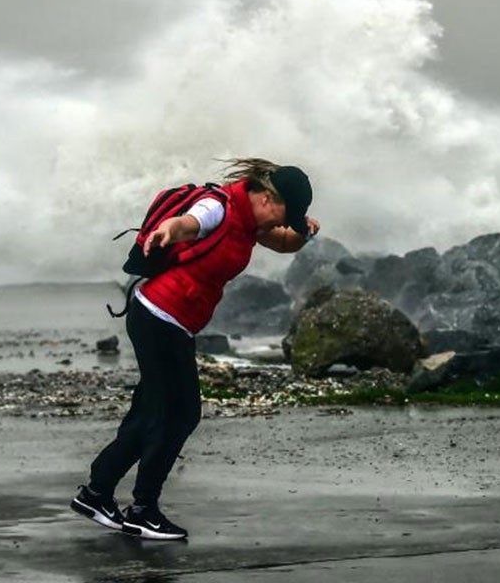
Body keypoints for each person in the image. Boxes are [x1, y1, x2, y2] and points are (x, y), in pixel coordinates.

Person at [70, 158, 319, 540]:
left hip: (171, 322)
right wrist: (169, 231)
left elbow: (286, 244)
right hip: (158, 317)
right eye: (289, 213)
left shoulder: (251, 223)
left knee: (153, 412)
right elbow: (189, 223)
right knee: (177, 415)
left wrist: (305, 232)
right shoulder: (218, 207)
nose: (284, 223)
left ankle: (97, 492)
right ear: (268, 197)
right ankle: (142, 510)